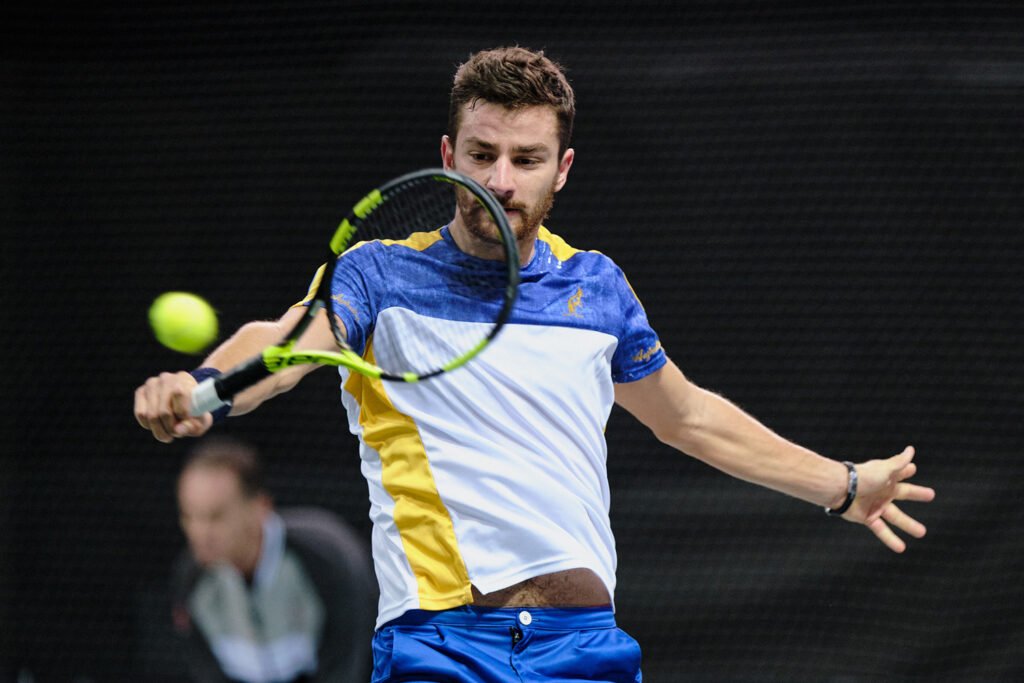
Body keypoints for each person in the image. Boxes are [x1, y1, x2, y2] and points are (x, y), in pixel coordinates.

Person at [136, 46, 936, 683]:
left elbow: (688, 418)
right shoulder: (378, 275)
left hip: (582, 646)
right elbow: (285, 345)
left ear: (563, 169)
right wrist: (203, 389)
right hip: (439, 644)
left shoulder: (598, 288)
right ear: (449, 153)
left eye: (526, 158)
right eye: (482, 153)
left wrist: (843, 485)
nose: (499, 180)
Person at [171, 436, 376, 683]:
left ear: (260, 506)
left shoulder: (328, 559)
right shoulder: (191, 578)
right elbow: (205, 668)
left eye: (216, 516)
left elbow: (354, 658)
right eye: (189, 516)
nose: (200, 533)